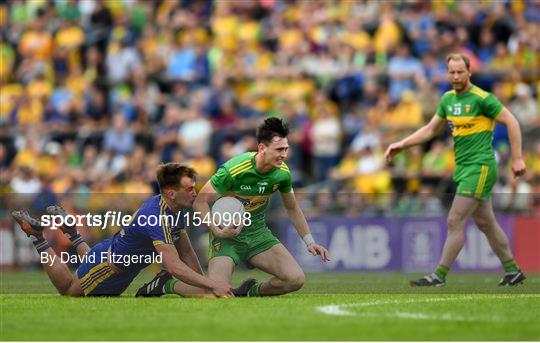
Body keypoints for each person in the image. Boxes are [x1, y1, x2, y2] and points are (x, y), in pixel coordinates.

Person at [142, 117, 330, 297]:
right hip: (226, 239)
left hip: (258, 235)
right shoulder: (233, 170)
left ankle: (249, 291)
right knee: (215, 292)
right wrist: (217, 231)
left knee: (295, 280)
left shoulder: (282, 174)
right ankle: (166, 284)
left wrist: (309, 241)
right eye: (279, 149)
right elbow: (200, 202)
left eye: (286, 149)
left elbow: (292, 208)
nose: (284, 155)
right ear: (262, 148)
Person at [385, 53, 527, 287]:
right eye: (452, 72)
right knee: (486, 223)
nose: (456, 76)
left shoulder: (483, 98)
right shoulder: (447, 99)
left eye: (461, 71)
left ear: (469, 72)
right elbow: (430, 130)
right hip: (463, 168)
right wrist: (401, 144)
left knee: (454, 220)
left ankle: (438, 275)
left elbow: (512, 121)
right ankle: (513, 270)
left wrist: (518, 158)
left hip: (480, 167)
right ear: (447, 73)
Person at [12, 163, 233, 297]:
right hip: (109, 267)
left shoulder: (173, 208)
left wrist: (204, 285)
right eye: (189, 188)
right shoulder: (156, 216)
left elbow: (185, 251)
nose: (195, 192)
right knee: (69, 290)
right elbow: (174, 266)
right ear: (171, 193)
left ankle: (73, 233)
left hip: (110, 257)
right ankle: (38, 237)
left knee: (91, 263)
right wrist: (212, 284)